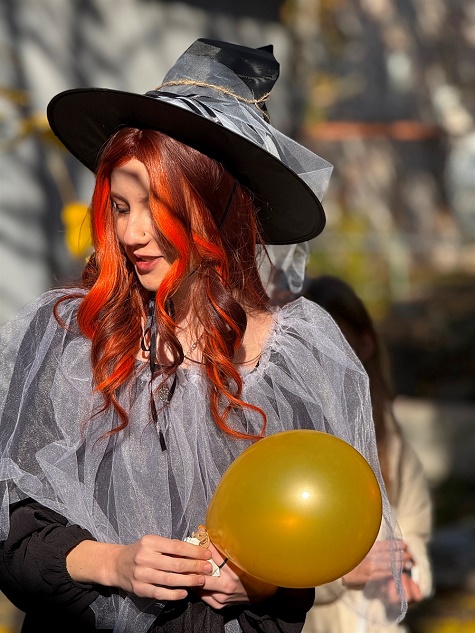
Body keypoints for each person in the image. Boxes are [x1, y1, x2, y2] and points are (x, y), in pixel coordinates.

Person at [0, 39, 406, 633]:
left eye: (157, 208)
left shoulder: (296, 357)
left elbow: (310, 534)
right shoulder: (69, 338)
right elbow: (14, 532)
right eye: (120, 207)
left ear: (215, 212)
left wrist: (259, 579)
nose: (131, 233)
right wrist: (115, 564)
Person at [299, 275, 433, 633]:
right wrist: (341, 575)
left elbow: (413, 527)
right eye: (310, 347)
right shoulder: (287, 435)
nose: (325, 360)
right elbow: (268, 567)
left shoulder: (387, 434)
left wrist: (407, 572)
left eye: (337, 344)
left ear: (365, 344)